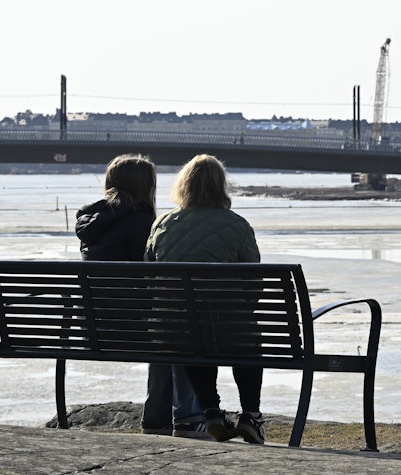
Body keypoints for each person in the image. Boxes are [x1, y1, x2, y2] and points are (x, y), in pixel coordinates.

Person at [75, 153, 207, 438]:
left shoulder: (91, 223)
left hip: (95, 329)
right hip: (133, 330)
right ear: (146, 186)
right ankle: (187, 417)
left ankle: (157, 419)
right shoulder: (143, 223)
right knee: (179, 326)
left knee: (164, 327)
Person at [145, 154, 265, 443]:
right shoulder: (237, 225)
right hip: (226, 328)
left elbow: (150, 280)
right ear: (220, 187)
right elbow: (254, 283)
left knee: (193, 331)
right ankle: (251, 415)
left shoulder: (163, 225)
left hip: (175, 331)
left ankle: (211, 410)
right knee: (243, 336)